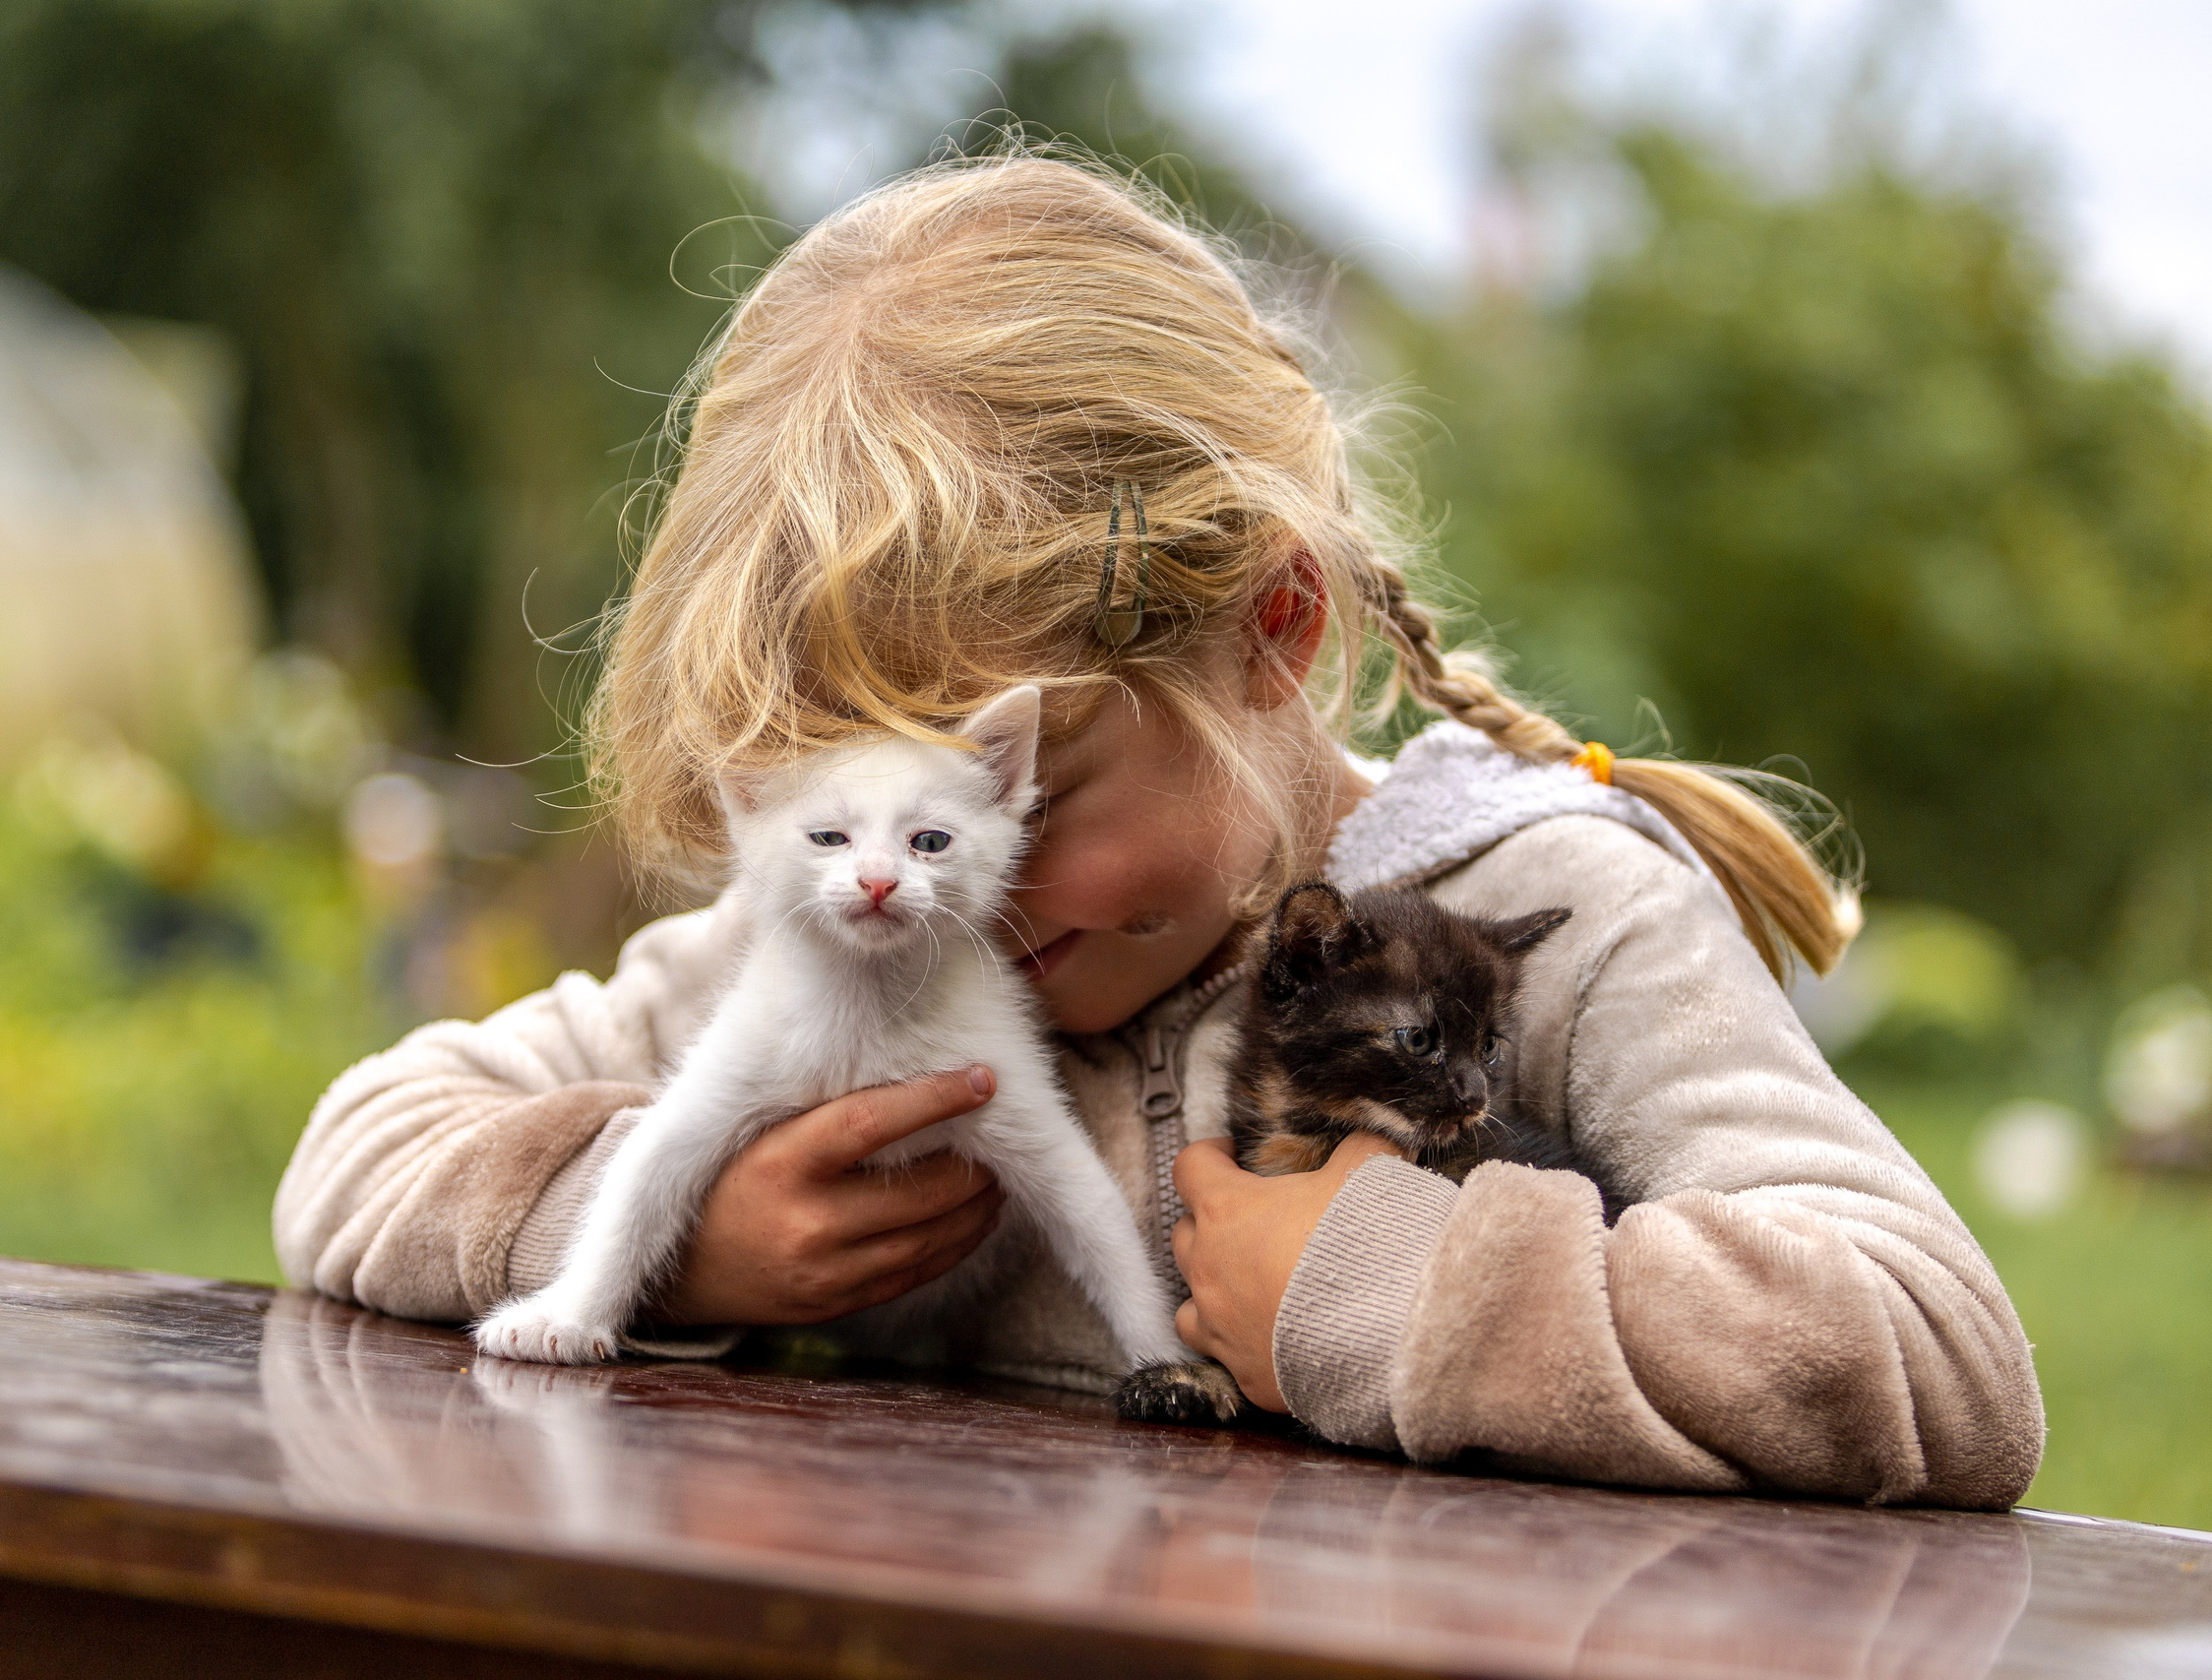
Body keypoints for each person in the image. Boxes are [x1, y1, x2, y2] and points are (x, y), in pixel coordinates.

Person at [274, 153, 2042, 1509]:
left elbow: (1934, 1353)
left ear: (1276, 633)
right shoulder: (856, 949)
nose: (943, 883)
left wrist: (1387, 1287)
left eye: (1024, 789)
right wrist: (668, 1226)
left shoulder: (1534, 919)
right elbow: (362, 1149)